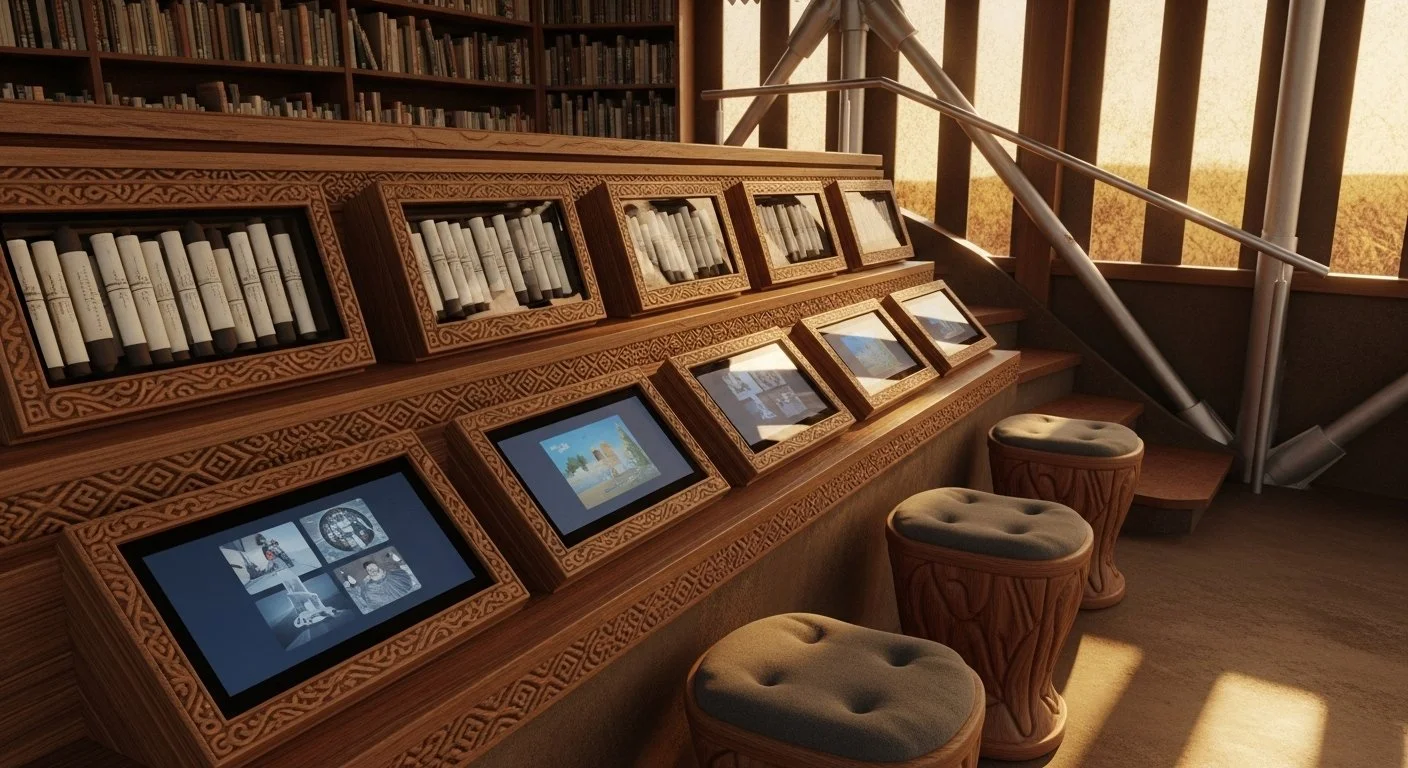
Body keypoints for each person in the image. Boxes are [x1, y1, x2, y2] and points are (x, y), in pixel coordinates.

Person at [349, 559, 416, 612]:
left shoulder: (390, 573)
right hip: (376, 587)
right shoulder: (368, 584)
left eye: (373, 567)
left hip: (390, 580)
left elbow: (391, 571)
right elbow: (365, 592)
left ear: (377, 566)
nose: (371, 569)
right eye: (369, 569)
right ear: (367, 571)